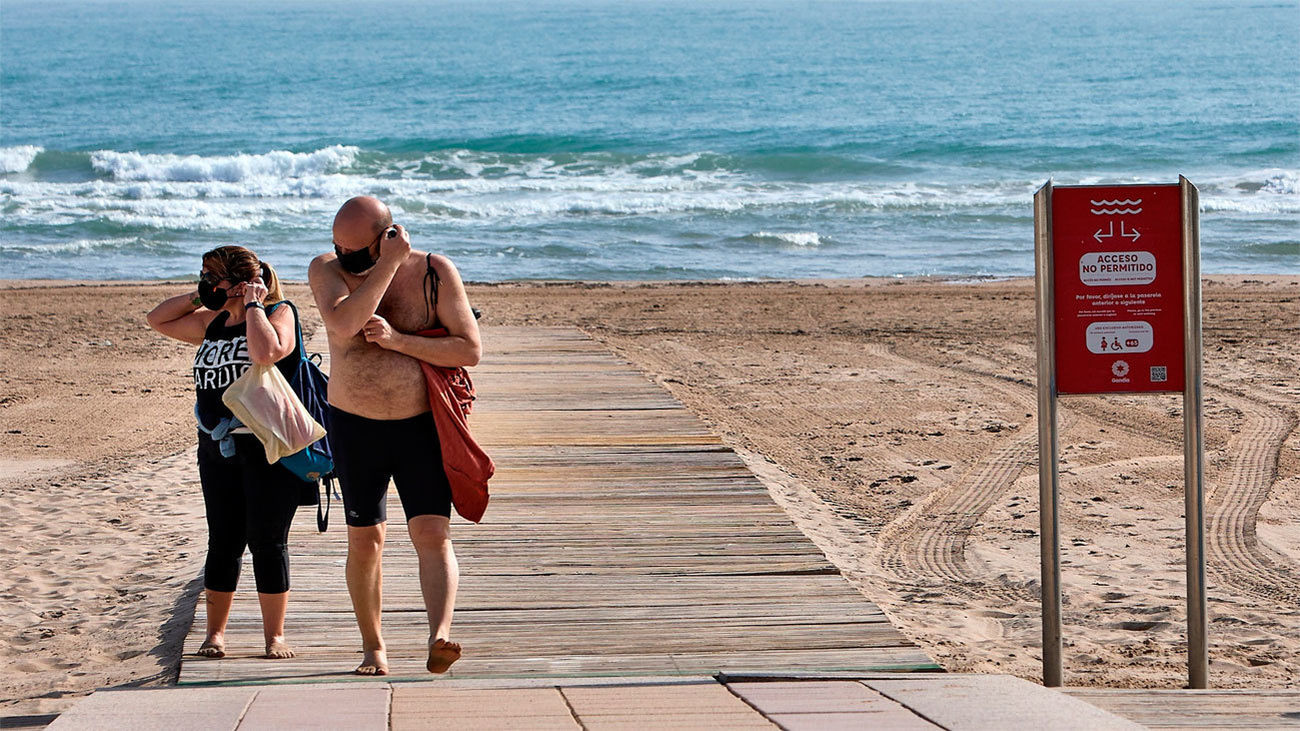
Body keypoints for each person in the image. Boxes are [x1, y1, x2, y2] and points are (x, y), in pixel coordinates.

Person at [308, 196, 481, 676]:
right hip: (355, 424)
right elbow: (343, 324)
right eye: (338, 247)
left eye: (356, 251)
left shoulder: (434, 272)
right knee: (366, 540)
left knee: (431, 532)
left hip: (421, 423)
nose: (346, 258)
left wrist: (399, 340)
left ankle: (439, 634)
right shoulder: (327, 270)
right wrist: (383, 267)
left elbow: (469, 349)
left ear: (388, 236)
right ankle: (373, 647)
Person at [146, 245, 303, 660]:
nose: (204, 282)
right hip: (217, 446)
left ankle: (275, 637)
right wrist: (202, 296)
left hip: (266, 447)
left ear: (236, 280)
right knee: (223, 541)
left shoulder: (279, 314)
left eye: (209, 275)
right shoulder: (211, 322)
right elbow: (157, 319)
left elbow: (267, 352)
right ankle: (215, 634)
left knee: (267, 541)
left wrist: (254, 304)